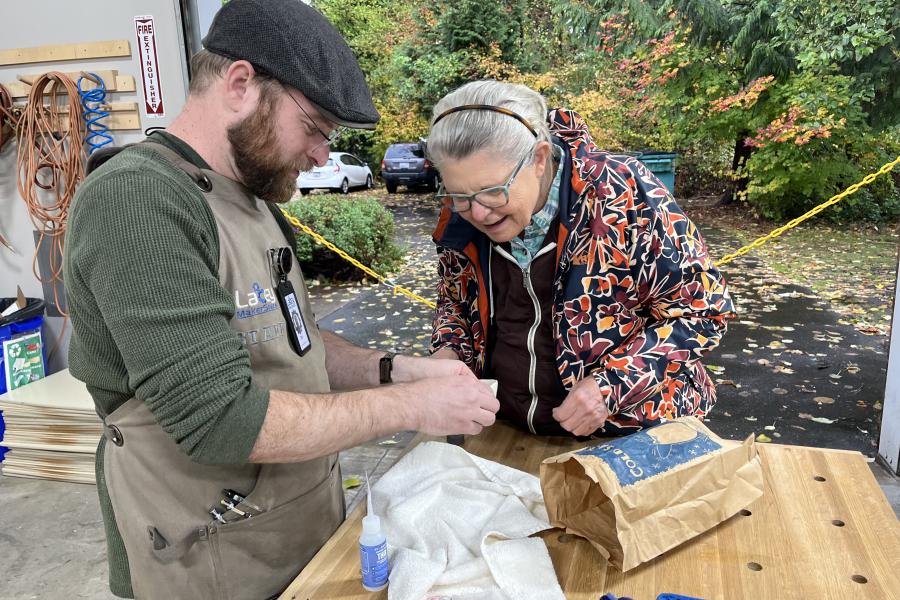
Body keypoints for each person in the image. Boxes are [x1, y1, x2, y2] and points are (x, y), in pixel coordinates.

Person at [63, 2, 498, 599]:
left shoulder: (256, 204)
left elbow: (295, 344)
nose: (323, 155)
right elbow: (222, 420)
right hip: (208, 560)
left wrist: (398, 370)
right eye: (315, 126)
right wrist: (411, 406)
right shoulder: (137, 201)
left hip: (298, 537)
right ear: (241, 85)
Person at [427, 80, 735, 438]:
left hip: (634, 434)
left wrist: (611, 387)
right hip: (506, 431)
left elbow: (704, 310)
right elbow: (455, 303)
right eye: (458, 195)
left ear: (539, 159)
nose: (477, 213)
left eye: (493, 191)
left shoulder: (623, 194)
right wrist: (448, 351)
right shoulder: (459, 216)